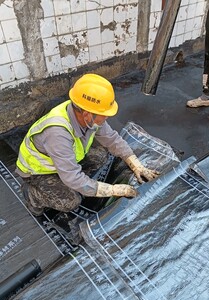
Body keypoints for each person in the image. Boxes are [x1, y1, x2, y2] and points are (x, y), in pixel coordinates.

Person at [16, 74, 159, 216]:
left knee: (101, 157)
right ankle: (32, 194)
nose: (107, 117)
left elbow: (111, 139)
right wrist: (113, 190)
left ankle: (74, 184)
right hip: (38, 172)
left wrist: (136, 164)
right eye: (104, 113)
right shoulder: (57, 133)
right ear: (87, 114)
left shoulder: (88, 115)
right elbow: (72, 177)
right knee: (70, 201)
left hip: (60, 161)